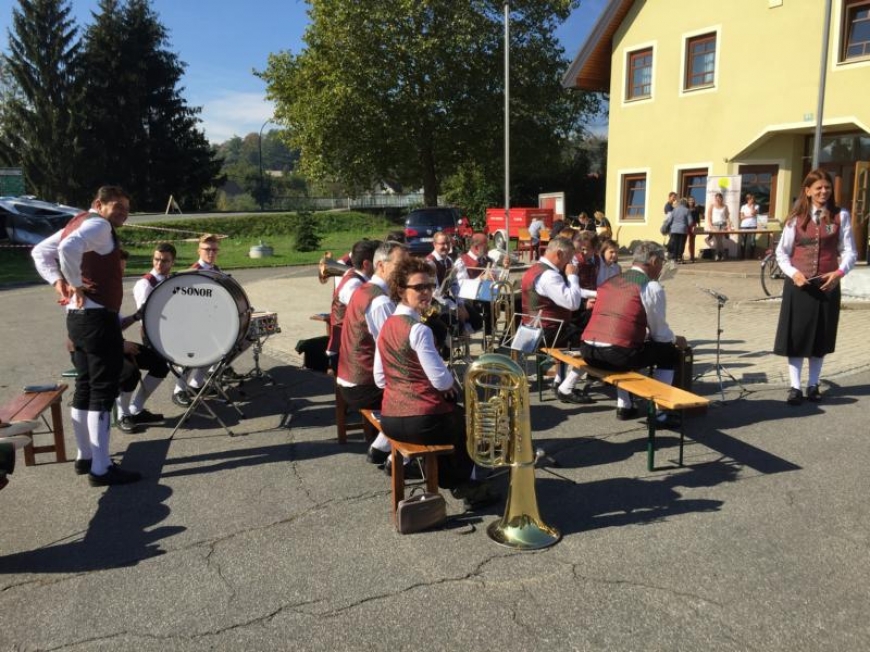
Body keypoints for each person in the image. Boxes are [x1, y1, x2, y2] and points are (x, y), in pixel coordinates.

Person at [30, 185, 141, 486]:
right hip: (96, 318)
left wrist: (57, 282)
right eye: (117, 206)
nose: (123, 213)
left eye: (127, 209)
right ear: (99, 204)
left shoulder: (76, 221)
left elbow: (40, 252)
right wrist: (73, 283)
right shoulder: (97, 225)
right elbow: (66, 250)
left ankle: (85, 457)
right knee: (102, 391)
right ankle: (101, 468)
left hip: (76, 319)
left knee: (85, 386)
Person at [374, 256, 498, 510]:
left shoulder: (388, 324)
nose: (427, 292)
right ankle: (466, 483)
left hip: (390, 421)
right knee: (470, 420)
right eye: (419, 288)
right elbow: (441, 381)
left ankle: (449, 477)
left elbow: (379, 378)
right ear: (401, 290)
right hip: (421, 420)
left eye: (429, 286)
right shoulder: (419, 329)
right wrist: (447, 382)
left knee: (454, 418)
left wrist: (408, 382)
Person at [579, 241, 688, 425]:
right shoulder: (650, 286)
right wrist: (677, 340)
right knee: (668, 353)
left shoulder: (612, 280)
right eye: (661, 261)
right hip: (615, 354)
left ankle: (625, 405)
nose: (662, 266)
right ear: (653, 261)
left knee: (633, 345)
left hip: (588, 350)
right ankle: (660, 413)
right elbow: (660, 334)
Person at [773, 168, 857, 406]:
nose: (823, 191)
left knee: (820, 336)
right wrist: (793, 273)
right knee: (797, 336)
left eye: (827, 187)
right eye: (818, 187)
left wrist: (840, 272)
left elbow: (850, 250)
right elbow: (782, 252)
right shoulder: (795, 218)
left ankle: (813, 385)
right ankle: (795, 387)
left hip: (827, 284)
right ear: (808, 191)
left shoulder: (841, 216)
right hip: (799, 285)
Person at [336, 241, 407, 465]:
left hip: (350, 379)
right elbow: (396, 352)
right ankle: (403, 460)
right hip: (362, 385)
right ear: (380, 265)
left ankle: (378, 449)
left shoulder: (365, 289)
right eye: (401, 265)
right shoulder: (380, 301)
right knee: (422, 396)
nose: (406, 271)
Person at [520, 237, 593, 404]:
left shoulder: (537, 269)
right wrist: (572, 276)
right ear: (559, 254)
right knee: (595, 343)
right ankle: (566, 387)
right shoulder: (549, 275)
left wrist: (596, 294)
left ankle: (560, 379)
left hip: (533, 329)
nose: (570, 263)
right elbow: (572, 303)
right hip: (547, 332)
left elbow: (565, 292)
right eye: (568, 258)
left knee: (583, 327)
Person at [115, 243, 176, 431]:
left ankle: (136, 408)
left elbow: (121, 322)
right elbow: (149, 315)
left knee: (161, 364)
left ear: (172, 262)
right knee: (130, 372)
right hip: (150, 334)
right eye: (156, 259)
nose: (159, 264)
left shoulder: (171, 280)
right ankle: (123, 414)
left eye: (164, 260)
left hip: (121, 341)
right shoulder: (145, 283)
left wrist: (133, 317)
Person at [325, 239, 378, 373]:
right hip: (345, 348)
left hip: (350, 347)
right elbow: (365, 312)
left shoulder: (356, 277)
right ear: (367, 264)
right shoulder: (353, 284)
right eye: (378, 262)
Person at [705, 192, 732, 261]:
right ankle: (722, 254)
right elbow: (709, 216)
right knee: (719, 240)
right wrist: (710, 225)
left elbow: (727, 217)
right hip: (715, 225)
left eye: (719, 198)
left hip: (723, 225)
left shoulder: (725, 206)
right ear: (715, 199)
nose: (718, 200)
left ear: (722, 199)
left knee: (719, 240)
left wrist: (728, 225)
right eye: (716, 199)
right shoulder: (712, 206)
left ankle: (717, 255)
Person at [666, 198, 692, 263]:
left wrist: (670, 226)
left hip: (674, 230)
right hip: (683, 230)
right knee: (681, 244)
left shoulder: (674, 210)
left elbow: (669, 220)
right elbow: (690, 222)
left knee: (675, 244)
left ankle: (674, 258)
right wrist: (687, 225)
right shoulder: (687, 210)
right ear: (685, 204)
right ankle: (679, 257)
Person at [739, 193, 760, 259]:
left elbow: (753, 213)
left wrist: (752, 207)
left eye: (753, 199)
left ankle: (751, 256)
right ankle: (742, 256)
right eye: (751, 199)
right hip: (744, 225)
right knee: (743, 241)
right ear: (748, 199)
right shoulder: (743, 207)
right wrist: (749, 216)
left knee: (752, 241)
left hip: (753, 225)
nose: (752, 200)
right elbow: (741, 217)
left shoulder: (756, 206)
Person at [685, 197, 703, 263]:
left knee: (692, 241)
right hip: (686, 226)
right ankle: (680, 255)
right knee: (683, 241)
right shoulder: (686, 209)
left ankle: (692, 256)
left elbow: (698, 219)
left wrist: (699, 226)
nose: (691, 201)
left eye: (692, 200)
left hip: (694, 226)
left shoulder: (696, 209)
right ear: (687, 201)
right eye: (690, 200)